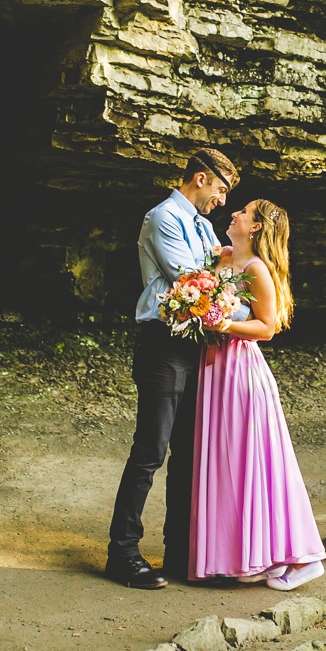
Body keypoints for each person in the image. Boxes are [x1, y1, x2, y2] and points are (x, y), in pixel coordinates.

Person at [105, 148, 240, 590]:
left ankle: (181, 554)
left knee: (188, 453)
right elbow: (191, 279)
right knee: (151, 451)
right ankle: (122, 553)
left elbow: (217, 282)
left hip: (195, 344)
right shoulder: (163, 217)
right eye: (220, 190)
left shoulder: (202, 224)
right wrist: (230, 280)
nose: (221, 202)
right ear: (200, 179)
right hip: (163, 344)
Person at [191, 199, 326, 590]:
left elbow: (267, 328)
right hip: (214, 370)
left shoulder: (256, 270)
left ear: (255, 228)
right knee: (225, 464)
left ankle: (304, 556)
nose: (233, 213)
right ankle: (247, 555)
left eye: (243, 213)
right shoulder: (225, 258)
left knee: (257, 462)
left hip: (240, 373)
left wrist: (219, 323)